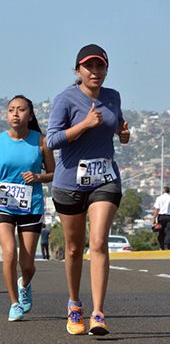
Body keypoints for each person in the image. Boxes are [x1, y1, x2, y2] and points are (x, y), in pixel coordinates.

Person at [46, 44, 130, 336]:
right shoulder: (65, 99)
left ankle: (98, 313)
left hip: (105, 179)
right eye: (89, 67)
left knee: (98, 241)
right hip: (69, 183)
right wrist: (82, 126)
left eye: (100, 66)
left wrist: (123, 133)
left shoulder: (113, 97)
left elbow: (117, 126)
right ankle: (74, 304)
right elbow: (52, 141)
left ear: (106, 69)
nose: (95, 72)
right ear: (78, 70)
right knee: (72, 248)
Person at [0, 95, 55, 321]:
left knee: (27, 264)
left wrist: (39, 176)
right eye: (11, 110)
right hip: (3, 204)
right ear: (6, 114)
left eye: (21, 110)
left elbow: (53, 172)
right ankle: (14, 304)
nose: (15, 114)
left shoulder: (41, 141)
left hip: (31, 205)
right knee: (8, 252)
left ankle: (25, 283)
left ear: (30, 115)